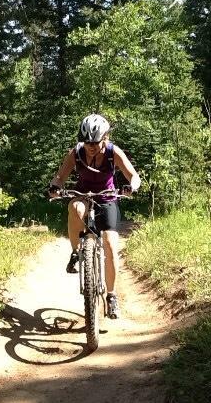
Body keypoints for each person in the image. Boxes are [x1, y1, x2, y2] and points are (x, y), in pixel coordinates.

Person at [48, 114, 141, 319]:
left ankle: (111, 295)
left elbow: (134, 176)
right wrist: (55, 186)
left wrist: (130, 187)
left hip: (107, 197)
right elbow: (61, 176)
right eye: (86, 141)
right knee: (75, 209)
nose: (90, 145)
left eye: (95, 142)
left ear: (105, 138)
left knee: (109, 244)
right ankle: (75, 252)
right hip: (82, 194)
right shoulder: (76, 153)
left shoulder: (112, 152)